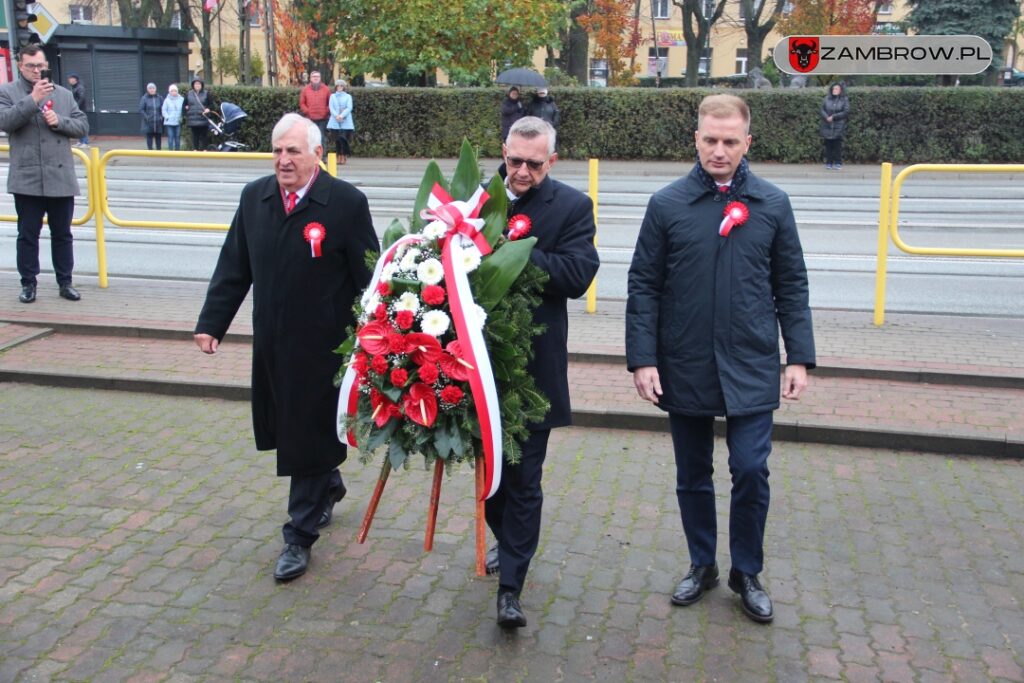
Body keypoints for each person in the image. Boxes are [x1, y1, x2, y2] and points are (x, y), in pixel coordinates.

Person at [625, 94, 815, 624]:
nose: (719, 150)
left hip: (752, 362)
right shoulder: (667, 205)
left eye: (730, 141)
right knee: (693, 474)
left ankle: (746, 573)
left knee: (751, 469)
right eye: (710, 139)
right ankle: (702, 564)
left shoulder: (773, 204)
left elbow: (791, 284)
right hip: (683, 360)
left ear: (747, 143)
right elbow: (643, 285)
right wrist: (642, 358)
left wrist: (797, 356)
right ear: (697, 139)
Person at [194, 113, 379, 582]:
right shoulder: (254, 198)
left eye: (293, 151)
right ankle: (329, 484)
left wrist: (376, 340)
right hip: (273, 342)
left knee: (305, 432)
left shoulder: (345, 203)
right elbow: (234, 264)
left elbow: (369, 279)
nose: (283, 160)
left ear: (317, 153)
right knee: (290, 427)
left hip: (324, 349)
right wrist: (212, 323)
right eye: (277, 150)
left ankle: (298, 535)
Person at [484, 116, 600, 629]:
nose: (523, 171)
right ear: (503, 153)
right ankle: (506, 540)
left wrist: (511, 258)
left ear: (551, 161)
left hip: (532, 369)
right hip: (475, 365)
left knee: (524, 479)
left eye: (535, 163)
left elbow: (578, 274)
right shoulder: (477, 199)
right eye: (515, 161)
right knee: (493, 479)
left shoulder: (572, 207)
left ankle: (512, 585)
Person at [0, 45, 89, 304]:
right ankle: (28, 283)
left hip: (60, 177)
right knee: (28, 235)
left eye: (40, 66)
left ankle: (65, 282)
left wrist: (59, 121)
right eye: (31, 66)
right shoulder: (8, 92)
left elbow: (82, 125)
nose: (37, 71)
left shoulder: (63, 94)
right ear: (20, 66)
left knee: (62, 234)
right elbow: (5, 122)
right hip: (27, 177)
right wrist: (32, 100)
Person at [299, 70, 330, 159]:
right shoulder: (305, 89)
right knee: (310, 138)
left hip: (323, 118)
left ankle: (322, 157)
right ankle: (310, 156)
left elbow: (330, 103)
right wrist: (307, 111)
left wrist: (325, 111)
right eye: (314, 76)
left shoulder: (326, 89)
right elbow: (302, 103)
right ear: (310, 78)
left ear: (320, 78)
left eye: (317, 76)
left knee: (322, 138)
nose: (316, 78)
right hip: (310, 119)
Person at [820, 82, 849, 170]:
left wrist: (834, 117)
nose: (834, 90)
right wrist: (826, 117)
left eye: (836, 89)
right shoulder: (826, 99)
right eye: (833, 89)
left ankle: (838, 162)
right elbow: (822, 109)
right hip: (827, 125)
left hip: (838, 125)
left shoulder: (844, 100)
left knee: (837, 145)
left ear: (840, 90)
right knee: (828, 145)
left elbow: (846, 111)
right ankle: (829, 162)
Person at [326, 79, 354, 164]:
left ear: (344, 87)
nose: (339, 87)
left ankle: (344, 155)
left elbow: (349, 108)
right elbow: (331, 108)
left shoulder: (348, 96)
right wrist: (337, 116)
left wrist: (341, 115)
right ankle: (339, 156)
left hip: (346, 121)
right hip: (335, 120)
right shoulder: (332, 96)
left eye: (341, 85)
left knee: (343, 139)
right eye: (338, 85)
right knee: (337, 140)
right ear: (336, 87)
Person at [184, 77, 213, 151]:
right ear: (193, 85)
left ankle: (205, 149)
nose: (197, 85)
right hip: (193, 118)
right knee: (195, 135)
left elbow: (212, 104)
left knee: (204, 135)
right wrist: (186, 108)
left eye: (199, 84)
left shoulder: (207, 93)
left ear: (201, 85)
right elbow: (184, 105)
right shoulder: (188, 94)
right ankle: (195, 149)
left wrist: (208, 109)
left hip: (203, 117)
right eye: (195, 84)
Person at [66, 73, 88, 147]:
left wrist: (76, 107)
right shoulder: (74, 87)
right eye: (69, 79)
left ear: (75, 80)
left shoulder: (79, 87)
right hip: (77, 109)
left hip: (80, 109)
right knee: (78, 125)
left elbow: (82, 98)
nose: (69, 80)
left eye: (71, 79)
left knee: (82, 124)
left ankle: (85, 142)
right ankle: (80, 141)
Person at [139, 82, 164, 150]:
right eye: (150, 88)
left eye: (153, 88)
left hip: (158, 122)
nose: (152, 90)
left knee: (158, 138)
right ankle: (150, 151)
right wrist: (146, 117)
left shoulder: (160, 98)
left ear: (155, 89)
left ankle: (159, 151)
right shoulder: (144, 98)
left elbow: (163, 108)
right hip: (148, 122)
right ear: (147, 89)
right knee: (149, 137)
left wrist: (161, 117)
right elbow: (141, 109)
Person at [162, 84, 184, 151]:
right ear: (169, 92)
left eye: (175, 91)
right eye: (172, 91)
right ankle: (170, 151)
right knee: (170, 137)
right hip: (169, 122)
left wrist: (182, 117)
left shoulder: (182, 99)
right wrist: (167, 117)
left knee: (177, 137)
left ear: (177, 91)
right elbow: (163, 110)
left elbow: (184, 109)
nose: (174, 92)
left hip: (178, 121)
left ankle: (177, 151)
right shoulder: (166, 100)